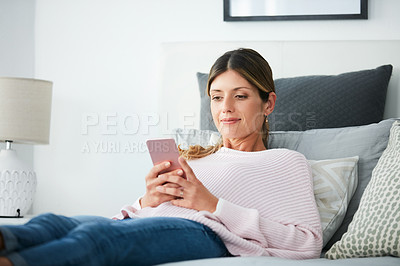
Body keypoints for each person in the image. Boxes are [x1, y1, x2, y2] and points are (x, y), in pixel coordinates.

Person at [0, 48, 322, 266]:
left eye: (240, 96)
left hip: (204, 234)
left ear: (268, 104)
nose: (225, 108)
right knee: (53, 223)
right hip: (146, 221)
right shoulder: (194, 157)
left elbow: (307, 243)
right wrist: (146, 200)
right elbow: (124, 219)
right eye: (216, 97)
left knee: (94, 238)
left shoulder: (285, 162)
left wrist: (212, 204)